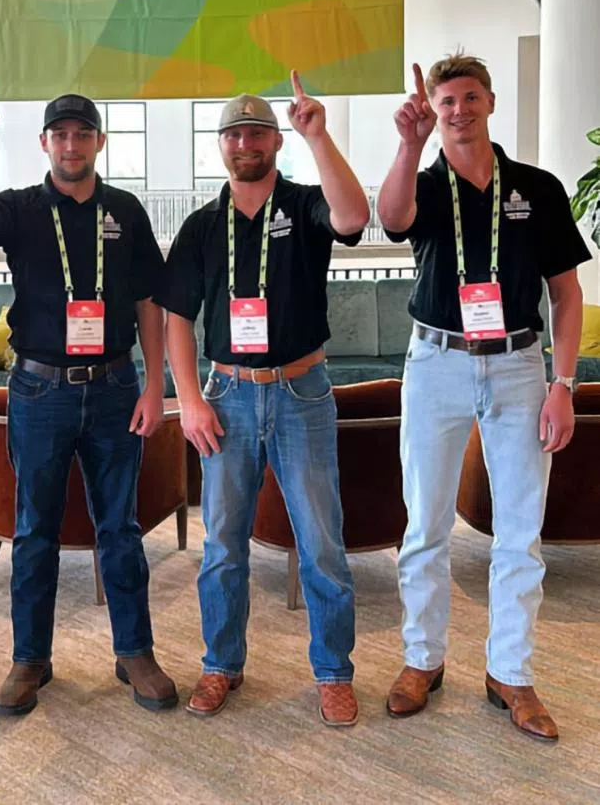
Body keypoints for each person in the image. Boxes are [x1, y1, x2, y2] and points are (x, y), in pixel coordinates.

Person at [0, 86, 177, 715]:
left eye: (83, 134)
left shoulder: (125, 210)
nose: (72, 145)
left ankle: (135, 651)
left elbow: (149, 302)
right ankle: (30, 658)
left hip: (115, 387)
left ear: (100, 142)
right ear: (45, 143)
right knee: (35, 529)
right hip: (39, 389)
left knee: (120, 527)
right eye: (61, 135)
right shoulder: (19, 208)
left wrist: (156, 385)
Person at [378, 54, 589, 741]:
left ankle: (511, 673)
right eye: (447, 100)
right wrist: (408, 143)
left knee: (520, 528)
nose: (459, 109)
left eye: (470, 97)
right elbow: (390, 217)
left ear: (491, 102)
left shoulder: (537, 188)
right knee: (425, 523)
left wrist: (563, 384)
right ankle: (422, 659)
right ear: (434, 110)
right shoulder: (423, 182)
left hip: (520, 364)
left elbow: (565, 293)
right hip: (436, 360)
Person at [157, 76, 371, 725]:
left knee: (321, 542)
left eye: (256, 132)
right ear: (221, 145)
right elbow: (175, 317)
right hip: (227, 398)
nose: (244, 142)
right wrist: (189, 398)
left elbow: (354, 218)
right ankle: (221, 662)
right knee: (223, 544)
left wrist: (319, 136)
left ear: (276, 142)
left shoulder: (305, 205)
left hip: (303, 392)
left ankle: (333, 671)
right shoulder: (202, 226)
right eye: (233, 134)